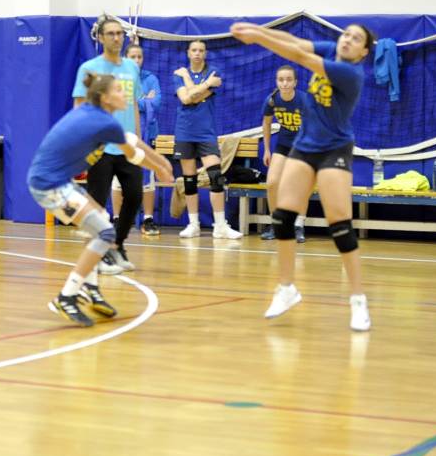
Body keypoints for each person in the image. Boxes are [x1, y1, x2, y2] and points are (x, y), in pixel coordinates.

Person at [229, 22, 375, 331]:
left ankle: (358, 299)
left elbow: (299, 57)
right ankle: (287, 288)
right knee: (282, 217)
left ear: (363, 52)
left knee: (340, 225)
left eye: (356, 39)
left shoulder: (350, 73)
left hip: (334, 148)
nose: (348, 39)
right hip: (305, 145)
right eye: (347, 34)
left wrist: (258, 38)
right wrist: (259, 29)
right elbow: (293, 41)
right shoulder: (331, 50)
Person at [29, 72, 173, 326]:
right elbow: (132, 153)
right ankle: (67, 296)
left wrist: (161, 163)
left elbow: (131, 140)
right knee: (106, 233)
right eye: (118, 89)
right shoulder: (102, 122)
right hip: (49, 186)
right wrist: (161, 168)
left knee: (102, 221)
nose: (124, 93)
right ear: (104, 98)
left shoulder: (97, 115)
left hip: (57, 182)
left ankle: (91, 288)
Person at [72, 15, 144, 274]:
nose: (116, 37)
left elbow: (133, 105)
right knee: (98, 204)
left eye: (119, 33)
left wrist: (138, 140)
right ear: (101, 38)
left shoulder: (131, 68)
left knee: (134, 196)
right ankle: (98, 255)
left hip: (126, 145)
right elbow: (79, 107)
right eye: (111, 33)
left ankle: (117, 245)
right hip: (99, 147)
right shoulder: (89, 68)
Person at [172, 39, 243, 239]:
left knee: (216, 177)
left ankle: (220, 226)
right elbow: (186, 99)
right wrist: (202, 86)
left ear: (205, 53)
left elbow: (191, 97)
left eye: (201, 50)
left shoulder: (214, 73)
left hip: (206, 133)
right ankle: (193, 224)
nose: (197, 53)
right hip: (185, 131)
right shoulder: (179, 74)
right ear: (188, 53)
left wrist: (194, 87)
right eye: (194, 50)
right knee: (189, 180)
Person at [111, 42, 163, 235]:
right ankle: (117, 219)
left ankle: (148, 219)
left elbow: (156, 103)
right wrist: (144, 100)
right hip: (121, 133)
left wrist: (137, 101)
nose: (136, 60)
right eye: (132, 56)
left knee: (147, 177)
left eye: (139, 57)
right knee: (118, 178)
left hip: (147, 134)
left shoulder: (150, 78)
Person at [261, 65, 307, 242]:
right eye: (281, 80)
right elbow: (266, 123)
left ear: (295, 82)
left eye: (289, 80)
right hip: (284, 145)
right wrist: (267, 149)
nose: (285, 83)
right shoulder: (272, 100)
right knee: (272, 182)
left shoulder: (304, 100)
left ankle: (298, 225)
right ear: (276, 82)